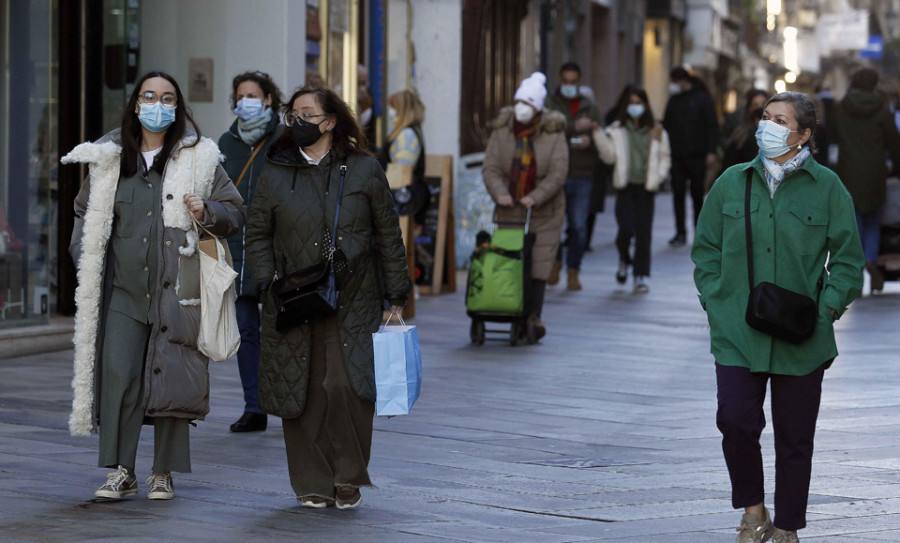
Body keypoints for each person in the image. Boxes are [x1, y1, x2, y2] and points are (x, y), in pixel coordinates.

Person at [60, 71, 246, 500]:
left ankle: (163, 471)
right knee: (119, 375)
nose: (157, 105)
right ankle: (121, 470)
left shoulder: (200, 158)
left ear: (178, 107)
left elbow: (234, 212)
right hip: (123, 294)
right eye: (149, 96)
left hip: (176, 291)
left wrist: (208, 209)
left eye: (167, 98)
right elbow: (84, 215)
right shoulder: (109, 159)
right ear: (136, 103)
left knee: (172, 378)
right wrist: (84, 260)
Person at [691, 92, 864, 543]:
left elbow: (848, 260)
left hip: (801, 334)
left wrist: (827, 310)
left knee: (794, 438)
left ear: (804, 134)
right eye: (765, 117)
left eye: (780, 120)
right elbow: (705, 248)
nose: (767, 125)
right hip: (736, 331)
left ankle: (786, 526)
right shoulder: (732, 181)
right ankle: (753, 512)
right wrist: (715, 298)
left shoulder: (827, 187)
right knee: (735, 420)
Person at [244, 86, 410, 509]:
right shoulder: (274, 170)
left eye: (306, 113)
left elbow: (388, 235)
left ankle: (349, 475)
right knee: (301, 391)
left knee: (346, 387)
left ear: (331, 121)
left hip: (353, 298)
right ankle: (312, 482)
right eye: (292, 114)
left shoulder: (363, 170)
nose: (297, 121)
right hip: (292, 299)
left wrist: (396, 293)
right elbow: (258, 232)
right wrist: (265, 283)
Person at [217, 71, 283, 433]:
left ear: (269, 99)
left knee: (280, 328)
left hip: (276, 249)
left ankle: (288, 401)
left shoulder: (284, 139)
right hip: (237, 250)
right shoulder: (226, 142)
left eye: (253, 95)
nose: (245, 101)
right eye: (240, 95)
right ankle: (254, 405)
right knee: (246, 328)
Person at [482, 72, 568, 339]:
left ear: (538, 108)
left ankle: (533, 317)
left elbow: (558, 172)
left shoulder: (553, 134)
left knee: (538, 264)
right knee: (508, 260)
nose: (522, 108)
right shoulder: (502, 131)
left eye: (528, 104)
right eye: (519, 102)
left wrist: (536, 196)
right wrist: (500, 193)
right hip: (509, 210)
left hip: (544, 212)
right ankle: (507, 309)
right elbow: (491, 167)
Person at [593, 85, 671, 293]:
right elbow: (609, 157)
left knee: (644, 233)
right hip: (625, 187)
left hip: (646, 188)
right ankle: (624, 259)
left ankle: (641, 275)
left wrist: (660, 176)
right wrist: (598, 136)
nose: (635, 107)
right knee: (625, 230)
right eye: (631, 103)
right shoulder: (617, 129)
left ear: (645, 104)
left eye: (638, 103)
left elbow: (664, 156)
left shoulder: (656, 129)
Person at [830, 68, 900, 293]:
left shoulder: (841, 108)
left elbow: (833, 136)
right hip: (875, 172)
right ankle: (870, 258)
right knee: (873, 221)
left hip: (848, 172)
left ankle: (858, 266)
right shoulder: (882, 109)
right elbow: (894, 141)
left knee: (854, 222)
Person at [545, 62, 602, 290]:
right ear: (560, 80)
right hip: (556, 172)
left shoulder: (589, 106)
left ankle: (573, 270)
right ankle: (555, 263)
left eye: (573, 82)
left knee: (578, 226)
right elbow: (548, 128)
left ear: (579, 82)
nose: (569, 86)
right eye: (565, 81)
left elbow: (600, 137)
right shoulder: (551, 103)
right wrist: (574, 126)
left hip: (582, 172)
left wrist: (590, 140)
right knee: (555, 224)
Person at [663, 67, 718, 247]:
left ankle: (698, 231)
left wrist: (711, 151)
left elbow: (712, 126)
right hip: (677, 155)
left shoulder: (702, 98)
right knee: (677, 193)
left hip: (697, 155)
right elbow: (667, 124)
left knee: (696, 195)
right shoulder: (674, 100)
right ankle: (680, 232)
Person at [378, 89, 428, 223]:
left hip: (401, 198)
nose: (390, 111)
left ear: (401, 109)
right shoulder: (405, 132)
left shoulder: (406, 135)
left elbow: (402, 172)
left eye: (392, 107)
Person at [720, 90, 769, 173]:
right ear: (749, 108)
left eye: (763, 104)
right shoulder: (742, 135)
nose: (760, 108)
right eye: (755, 105)